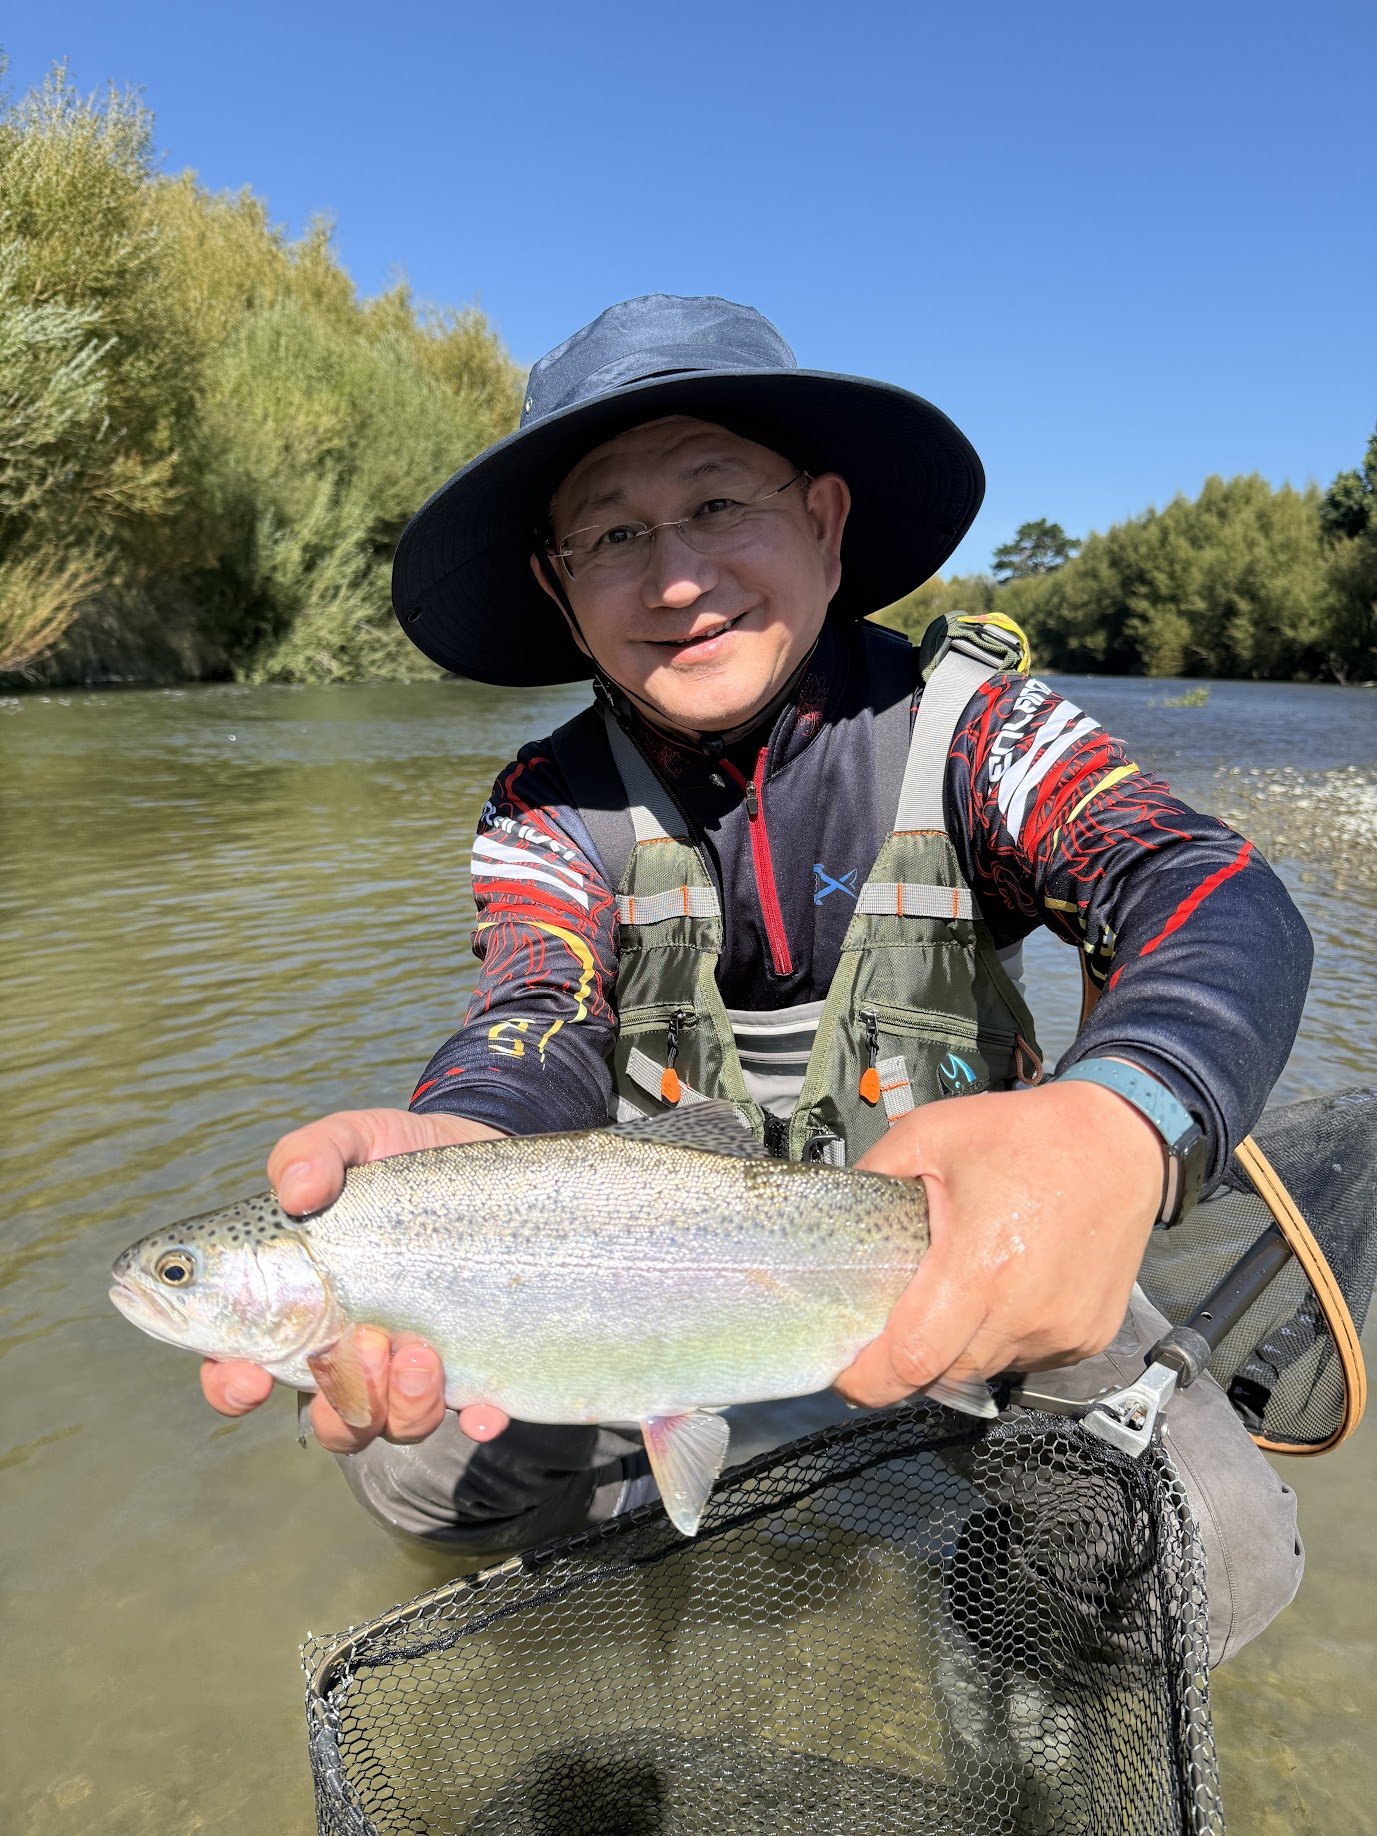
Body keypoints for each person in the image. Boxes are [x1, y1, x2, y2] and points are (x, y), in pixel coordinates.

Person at [203, 295, 1310, 1662]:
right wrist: (470, 1148)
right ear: (554, 585)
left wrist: (1122, 1122)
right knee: (414, 1465)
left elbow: (1211, 894)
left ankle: (1010, 1639)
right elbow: (529, 1017)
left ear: (828, 523)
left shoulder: (980, 736)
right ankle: (634, 1586)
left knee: (1213, 1567)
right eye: (610, 533)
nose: (675, 578)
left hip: (971, 1254)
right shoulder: (547, 811)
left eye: (720, 503)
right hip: (655, 1278)